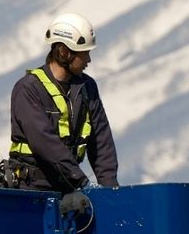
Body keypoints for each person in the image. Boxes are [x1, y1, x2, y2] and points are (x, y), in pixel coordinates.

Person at [8, 11, 118, 193]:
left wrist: (111, 190)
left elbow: (101, 141)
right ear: (63, 52)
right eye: (84, 54)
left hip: (69, 187)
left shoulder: (87, 87)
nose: (88, 60)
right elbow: (44, 142)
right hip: (31, 191)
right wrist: (81, 181)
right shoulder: (28, 89)